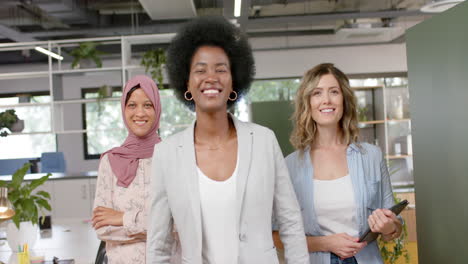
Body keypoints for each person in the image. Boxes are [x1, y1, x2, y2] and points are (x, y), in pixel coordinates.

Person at [147, 16, 309, 264]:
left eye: (221, 69)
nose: (210, 77)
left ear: (234, 80)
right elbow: (158, 244)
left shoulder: (264, 141)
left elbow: (290, 222)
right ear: (186, 83)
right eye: (200, 70)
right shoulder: (167, 154)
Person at [274, 63, 403, 264]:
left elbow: (394, 227)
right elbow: (277, 235)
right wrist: (325, 243)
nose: (326, 100)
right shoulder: (290, 166)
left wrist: (388, 228)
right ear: (307, 103)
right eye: (317, 93)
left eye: (334, 92)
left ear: (344, 100)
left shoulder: (372, 156)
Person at [92, 75, 163, 264]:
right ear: (124, 109)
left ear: (157, 109)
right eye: (132, 105)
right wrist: (153, 228)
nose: (139, 113)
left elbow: (179, 224)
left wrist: (122, 218)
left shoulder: (172, 157)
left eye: (147, 105)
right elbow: (102, 228)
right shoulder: (109, 161)